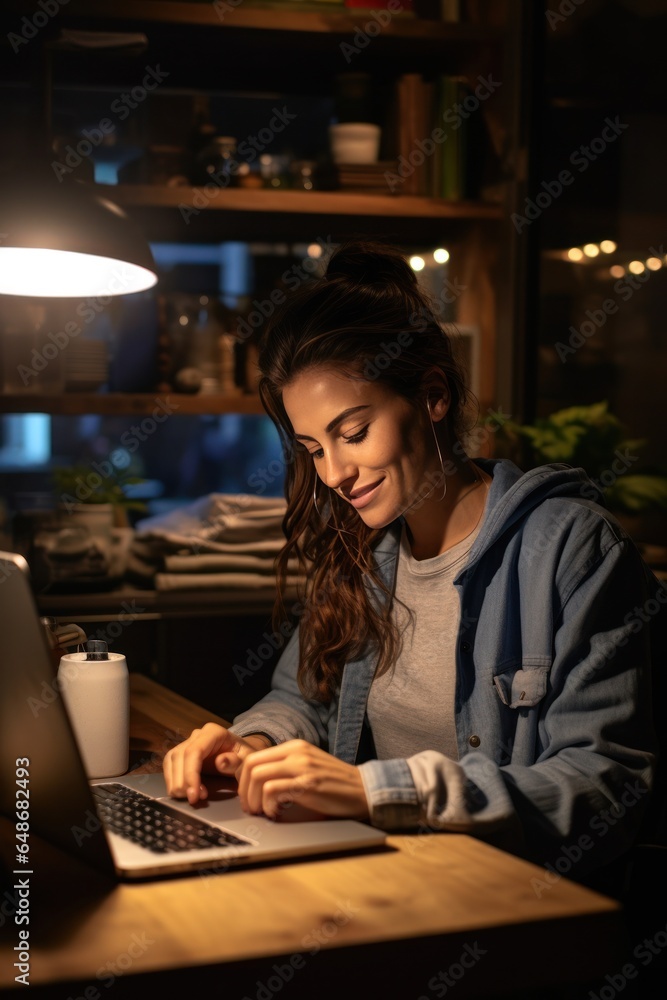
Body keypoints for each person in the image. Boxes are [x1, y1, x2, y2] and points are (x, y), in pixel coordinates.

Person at [164, 239, 662, 886]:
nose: (335, 473)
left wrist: (379, 791)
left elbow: (603, 789)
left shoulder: (568, 549)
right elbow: (304, 701)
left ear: (431, 397)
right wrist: (249, 746)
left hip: (524, 910)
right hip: (398, 886)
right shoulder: (360, 549)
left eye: (352, 433)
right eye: (313, 449)